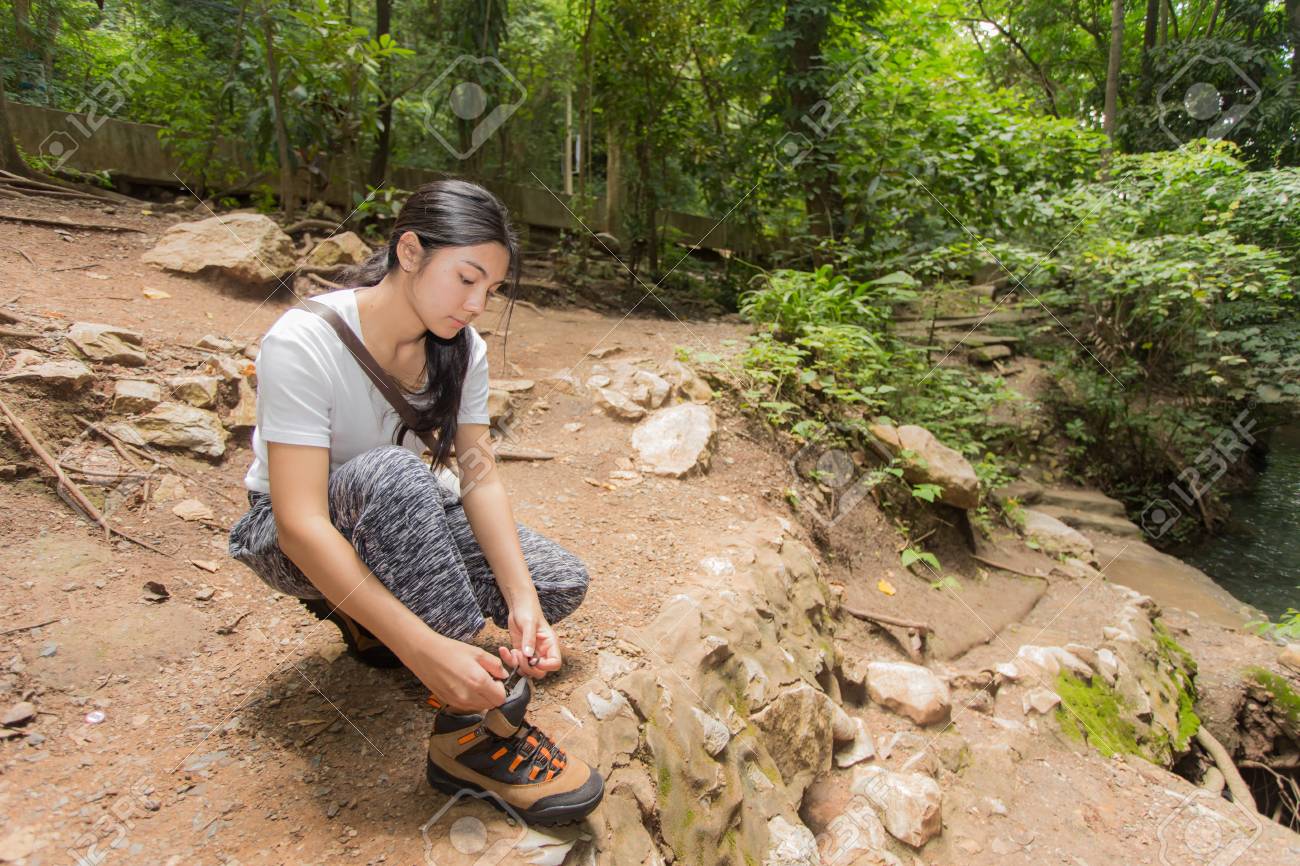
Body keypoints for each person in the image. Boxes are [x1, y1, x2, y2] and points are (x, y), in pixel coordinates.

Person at [227, 180, 603, 825]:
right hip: (295, 535)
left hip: (403, 519)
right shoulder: (303, 340)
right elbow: (298, 523)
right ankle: (475, 733)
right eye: (466, 279)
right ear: (409, 251)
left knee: (559, 583)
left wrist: (522, 601)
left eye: (491, 289)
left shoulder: (464, 351)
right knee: (397, 474)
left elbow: (479, 476)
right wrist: (427, 651)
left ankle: (375, 621)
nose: (478, 303)